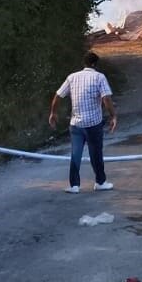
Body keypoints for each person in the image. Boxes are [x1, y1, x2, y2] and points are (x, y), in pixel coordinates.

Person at [49, 50, 117, 193]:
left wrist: (53, 113)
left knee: (75, 154)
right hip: (93, 124)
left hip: (76, 124)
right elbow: (106, 99)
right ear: (95, 64)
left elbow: (58, 95)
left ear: (84, 63)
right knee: (96, 154)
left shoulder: (72, 77)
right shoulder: (99, 77)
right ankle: (100, 182)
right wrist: (113, 116)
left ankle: (74, 185)